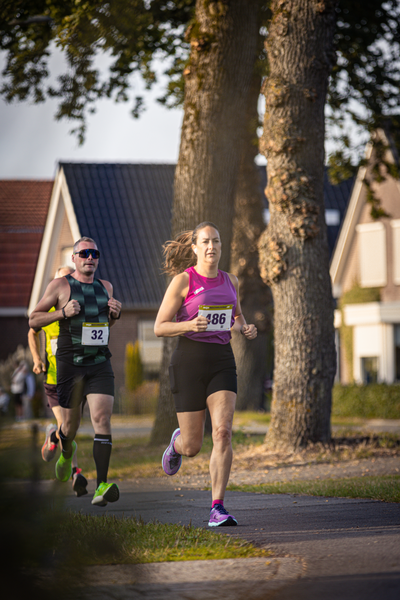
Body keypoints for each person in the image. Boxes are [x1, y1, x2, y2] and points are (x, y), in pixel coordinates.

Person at [154, 221, 257, 527]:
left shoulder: (230, 280)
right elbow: (160, 326)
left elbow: (235, 316)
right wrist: (189, 324)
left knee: (223, 432)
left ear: (221, 246)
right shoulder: (183, 282)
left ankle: (217, 507)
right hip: (188, 362)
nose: (212, 247)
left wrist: (244, 327)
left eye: (216, 241)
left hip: (221, 360)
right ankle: (177, 445)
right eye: (206, 242)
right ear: (196, 248)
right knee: (193, 446)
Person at [29, 237, 122, 507]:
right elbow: (33, 319)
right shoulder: (60, 285)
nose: (89, 257)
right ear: (74, 258)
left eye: (94, 253)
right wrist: (62, 313)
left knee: (102, 418)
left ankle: (102, 484)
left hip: (99, 363)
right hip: (70, 364)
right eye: (84, 253)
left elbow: (104, 328)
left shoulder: (106, 287)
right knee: (69, 427)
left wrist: (114, 315)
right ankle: (66, 453)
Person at [28, 266, 88, 497]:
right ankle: (75, 473)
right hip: (54, 380)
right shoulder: (50, 314)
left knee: (68, 429)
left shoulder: (79, 311)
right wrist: (36, 359)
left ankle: (53, 435)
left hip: (75, 380)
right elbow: (31, 332)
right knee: (69, 428)